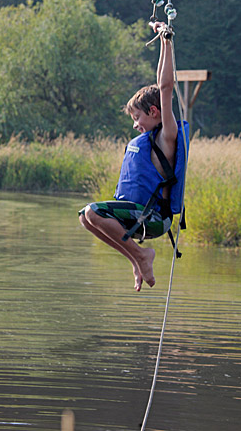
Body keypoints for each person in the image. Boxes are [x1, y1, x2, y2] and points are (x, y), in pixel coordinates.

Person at [79, 22, 188, 291]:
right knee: (85, 217)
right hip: (137, 214)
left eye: (137, 117)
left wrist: (167, 40)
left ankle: (142, 256)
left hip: (154, 217)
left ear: (153, 112)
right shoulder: (148, 139)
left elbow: (165, 87)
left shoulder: (166, 136)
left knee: (94, 211)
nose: (135, 125)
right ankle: (136, 260)